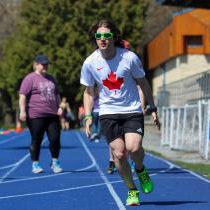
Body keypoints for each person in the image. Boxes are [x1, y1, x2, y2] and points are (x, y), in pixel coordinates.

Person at [80, 19, 160, 206]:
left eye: (106, 35)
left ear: (113, 37)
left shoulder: (129, 57)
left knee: (133, 148)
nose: (102, 39)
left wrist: (153, 107)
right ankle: (132, 190)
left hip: (132, 109)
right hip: (108, 112)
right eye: (98, 36)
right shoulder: (90, 62)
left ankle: (140, 170)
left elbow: (143, 83)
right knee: (119, 154)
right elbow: (89, 91)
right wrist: (88, 115)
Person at [19, 55, 63, 174]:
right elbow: (22, 96)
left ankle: (55, 162)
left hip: (52, 115)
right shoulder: (30, 78)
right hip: (35, 115)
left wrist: (59, 107)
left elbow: (57, 94)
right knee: (36, 140)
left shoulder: (51, 78)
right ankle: (35, 163)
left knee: (55, 139)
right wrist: (22, 111)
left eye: (47, 64)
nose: (45, 66)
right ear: (36, 65)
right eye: (43, 64)